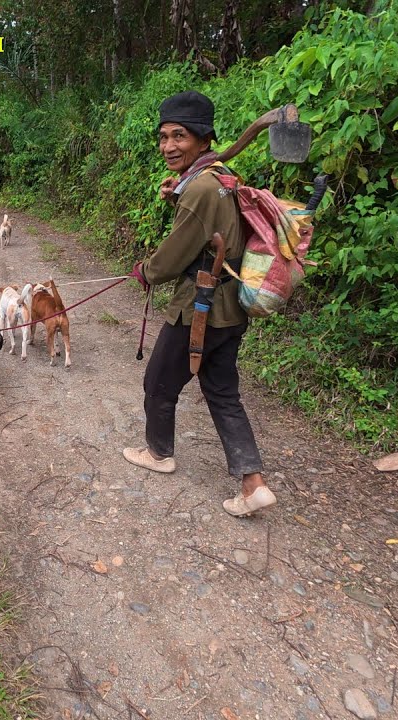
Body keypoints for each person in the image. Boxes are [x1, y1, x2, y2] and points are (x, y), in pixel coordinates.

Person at [123, 90, 276, 517]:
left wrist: (146, 271)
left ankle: (159, 453)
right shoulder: (222, 178)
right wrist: (177, 196)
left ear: (204, 139)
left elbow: (174, 255)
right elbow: (209, 228)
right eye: (164, 136)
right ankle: (253, 483)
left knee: (159, 382)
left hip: (199, 309)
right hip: (232, 308)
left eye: (180, 136)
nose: (168, 146)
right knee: (223, 392)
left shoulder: (202, 188)